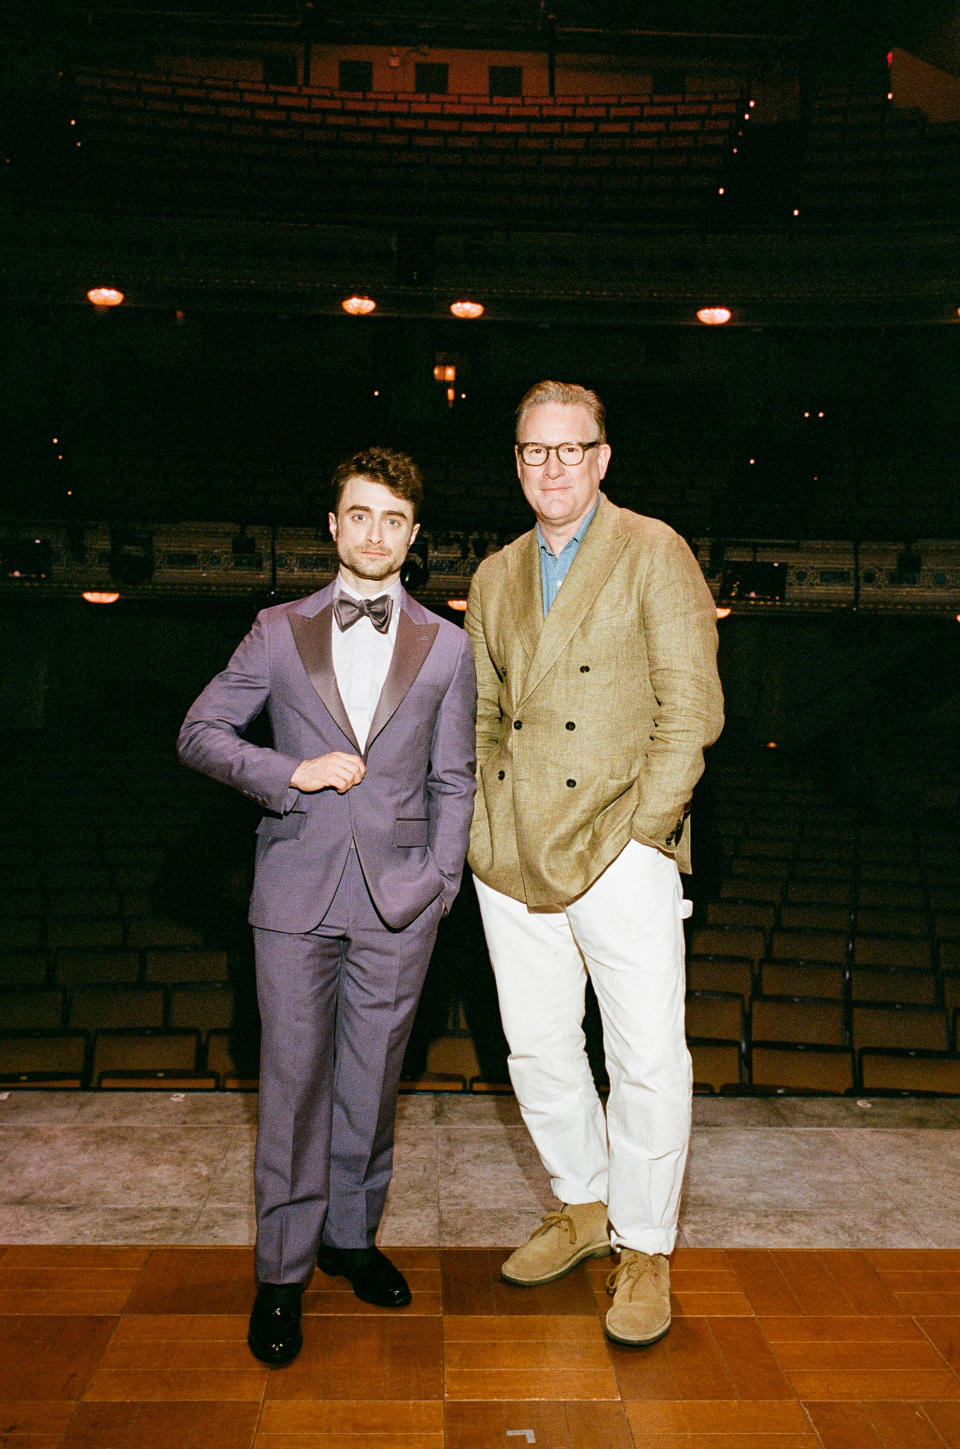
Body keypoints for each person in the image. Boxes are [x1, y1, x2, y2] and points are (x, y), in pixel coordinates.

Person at [177, 446, 477, 1366]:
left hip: (400, 902)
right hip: (294, 899)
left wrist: (437, 885)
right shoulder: (276, 629)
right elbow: (199, 731)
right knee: (295, 1088)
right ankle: (282, 1275)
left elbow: (456, 777)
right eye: (360, 514)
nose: (376, 531)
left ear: (413, 535)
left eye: (394, 518)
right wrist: (286, 770)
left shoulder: (450, 644)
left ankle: (350, 1239)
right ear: (334, 525)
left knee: (372, 1087)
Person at [464, 381, 723, 1347]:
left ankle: (645, 1244)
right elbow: (484, 715)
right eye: (535, 451)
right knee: (536, 1048)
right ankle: (583, 1205)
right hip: (512, 853)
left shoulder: (654, 550)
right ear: (517, 460)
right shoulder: (493, 575)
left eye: (571, 451)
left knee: (646, 1055)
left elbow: (691, 710)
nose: (553, 468)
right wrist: (482, 830)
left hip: (620, 845)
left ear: (603, 458)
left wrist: (641, 831)